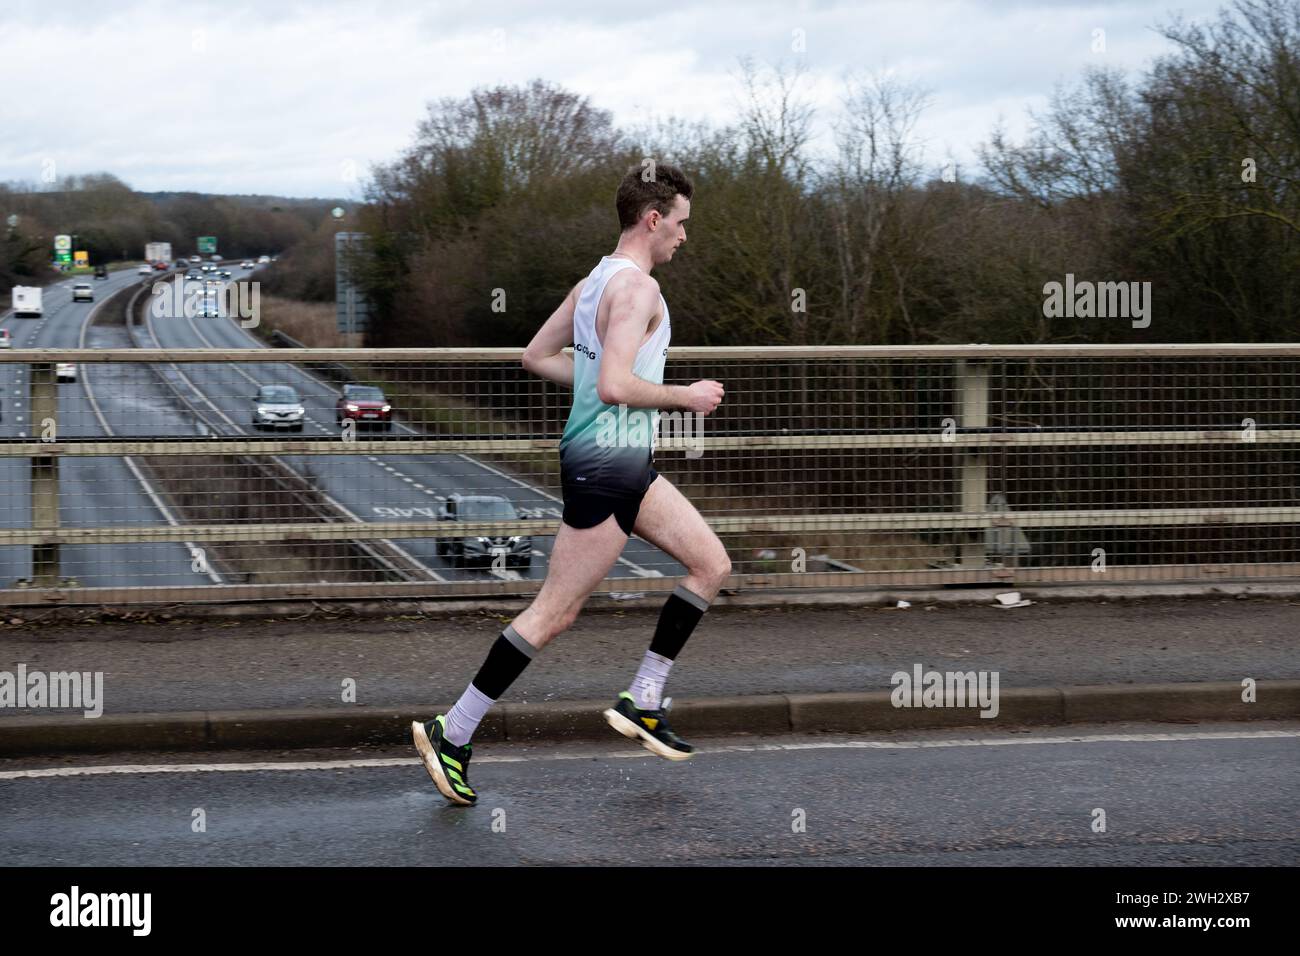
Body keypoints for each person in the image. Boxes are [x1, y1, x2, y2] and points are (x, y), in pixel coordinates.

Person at [412, 163, 730, 805]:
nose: (684, 237)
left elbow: (536, 355)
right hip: (604, 465)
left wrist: (598, 388)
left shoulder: (593, 282)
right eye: (681, 223)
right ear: (652, 219)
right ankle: (454, 731)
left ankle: (642, 700)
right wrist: (686, 397)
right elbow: (614, 386)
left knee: (711, 564)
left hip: (627, 463)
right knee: (555, 612)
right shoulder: (636, 288)